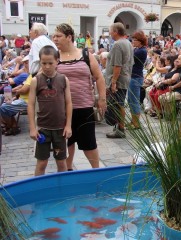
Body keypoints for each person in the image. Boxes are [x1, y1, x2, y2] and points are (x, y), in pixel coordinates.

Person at [53, 23, 106, 170]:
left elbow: (99, 77)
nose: (55, 39)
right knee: (66, 142)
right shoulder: (54, 57)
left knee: (89, 142)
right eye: (54, 36)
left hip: (84, 105)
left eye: (58, 36)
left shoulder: (85, 55)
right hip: (62, 109)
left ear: (69, 37)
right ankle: (67, 172)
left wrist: (102, 99)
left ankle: (97, 172)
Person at [28, 45, 72, 176]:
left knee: (61, 162)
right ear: (40, 62)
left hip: (60, 129)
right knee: (42, 163)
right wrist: (32, 128)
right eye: (44, 63)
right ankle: (38, 189)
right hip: (43, 128)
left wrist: (68, 125)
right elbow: (30, 104)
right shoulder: (36, 80)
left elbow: (69, 103)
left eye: (50, 63)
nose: (47, 66)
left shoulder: (63, 79)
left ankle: (62, 190)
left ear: (57, 61)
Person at [105, 22, 134, 138]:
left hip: (119, 80)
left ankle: (120, 129)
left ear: (116, 31)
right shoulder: (128, 43)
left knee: (118, 105)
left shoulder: (118, 44)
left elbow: (117, 65)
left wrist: (113, 82)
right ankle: (119, 127)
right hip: (125, 77)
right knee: (119, 104)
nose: (110, 33)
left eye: (111, 31)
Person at [0, 55, 30, 136]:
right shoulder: (28, 74)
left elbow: (22, 88)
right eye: (24, 62)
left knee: (4, 106)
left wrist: (14, 93)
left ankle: (9, 126)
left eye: (26, 62)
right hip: (20, 97)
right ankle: (12, 125)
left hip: (27, 101)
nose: (25, 64)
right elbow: (20, 85)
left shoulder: (28, 75)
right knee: (3, 97)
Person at [127, 30, 147, 129]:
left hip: (136, 77)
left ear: (140, 41)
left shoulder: (141, 51)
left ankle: (136, 123)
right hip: (133, 76)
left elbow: (129, 58)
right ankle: (132, 120)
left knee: (134, 100)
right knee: (130, 100)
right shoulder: (137, 49)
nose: (133, 41)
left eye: (135, 40)